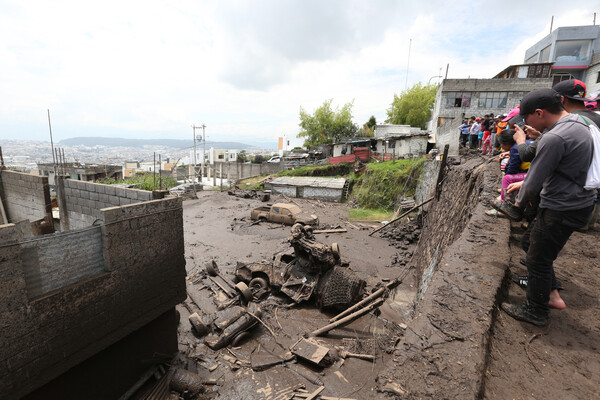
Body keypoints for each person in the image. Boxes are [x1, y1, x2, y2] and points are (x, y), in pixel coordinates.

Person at [498, 88, 596, 326]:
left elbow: (536, 177)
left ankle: (537, 310)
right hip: (577, 201)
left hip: (562, 206)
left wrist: (518, 204)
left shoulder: (554, 137)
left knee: (538, 258)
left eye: (527, 118)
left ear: (539, 113)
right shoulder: (578, 123)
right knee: (530, 243)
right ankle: (548, 290)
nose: (525, 124)